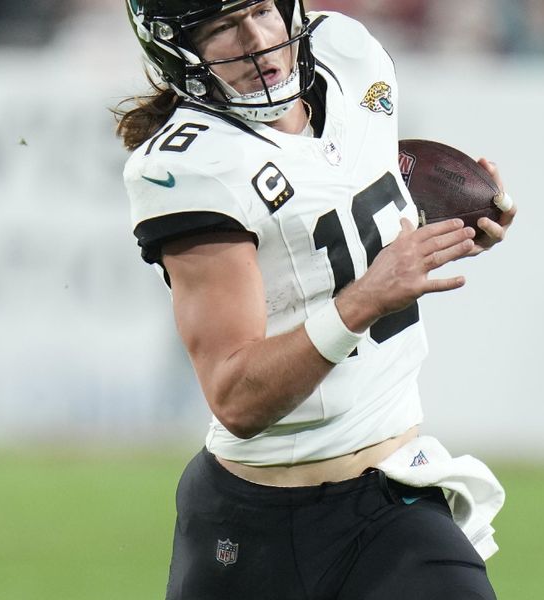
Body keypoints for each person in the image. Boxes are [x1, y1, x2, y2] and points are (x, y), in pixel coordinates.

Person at [117, 1, 516, 598]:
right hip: (247, 530)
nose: (256, 39)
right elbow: (236, 397)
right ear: (178, 50)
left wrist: (445, 227)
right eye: (222, 26)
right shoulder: (191, 167)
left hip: (392, 508)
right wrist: (368, 297)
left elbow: (343, 197)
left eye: (260, 11)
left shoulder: (347, 56)